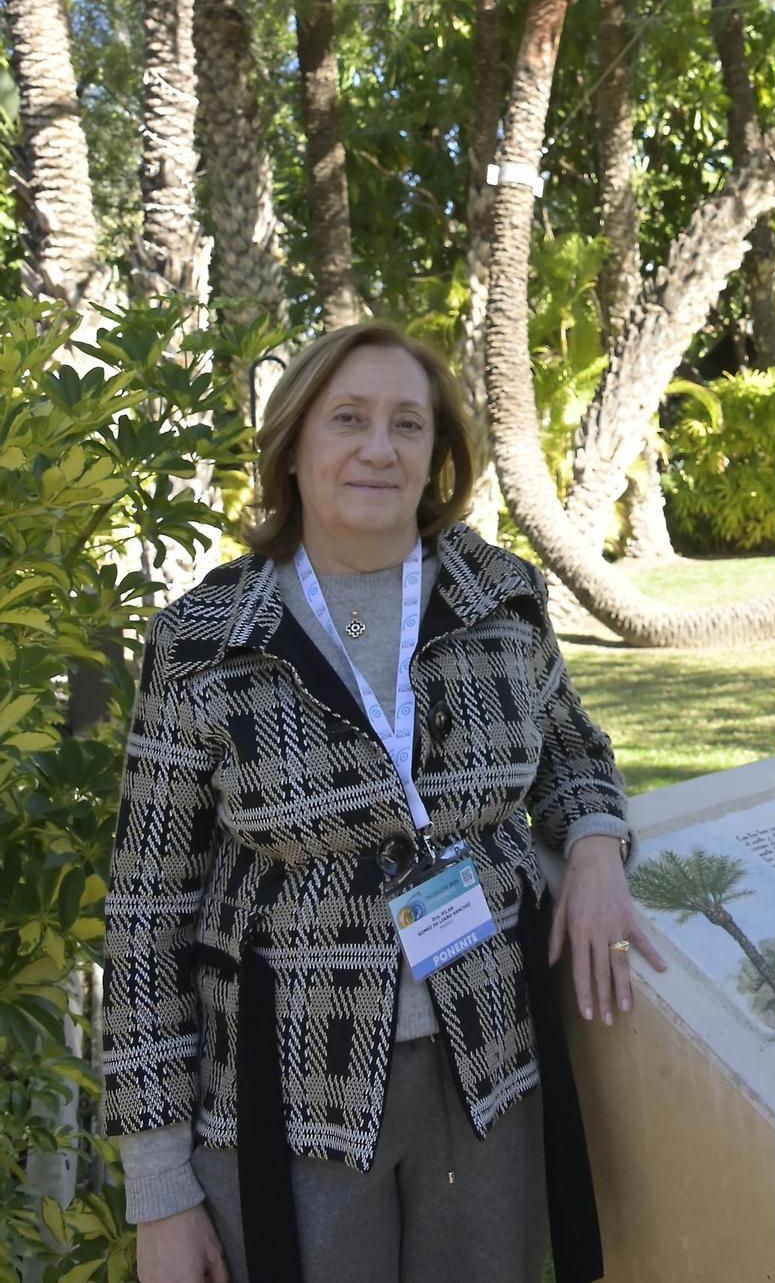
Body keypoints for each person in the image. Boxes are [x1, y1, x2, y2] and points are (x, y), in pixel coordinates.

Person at [102, 321, 664, 1283]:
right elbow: (146, 913)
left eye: (408, 423)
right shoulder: (202, 641)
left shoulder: (501, 599)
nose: (379, 447)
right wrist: (159, 1189)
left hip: (490, 1065)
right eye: (348, 418)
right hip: (290, 1089)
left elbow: (573, 753)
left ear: (438, 454)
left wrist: (598, 849)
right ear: (293, 446)